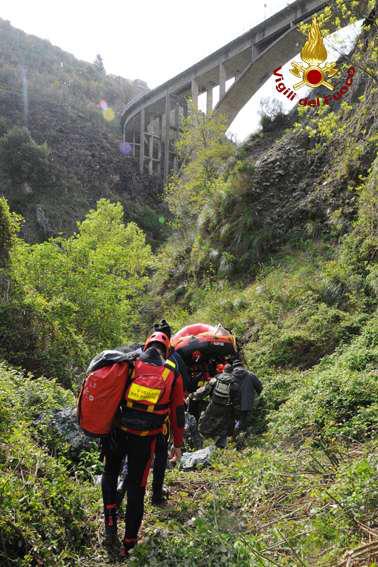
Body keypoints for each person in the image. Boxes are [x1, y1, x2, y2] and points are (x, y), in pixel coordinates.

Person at [101, 330, 185, 559]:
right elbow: (178, 411)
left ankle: (109, 517)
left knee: (110, 473)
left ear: (146, 344)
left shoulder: (129, 363)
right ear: (167, 351)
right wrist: (178, 444)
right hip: (144, 438)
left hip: (117, 433)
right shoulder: (172, 373)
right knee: (136, 489)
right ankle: (128, 544)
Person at [196, 359, 262, 449]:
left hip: (219, 405)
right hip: (246, 404)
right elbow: (259, 387)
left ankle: (221, 442)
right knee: (241, 422)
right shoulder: (249, 375)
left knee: (215, 424)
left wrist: (193, 396)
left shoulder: (225, 378)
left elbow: (205, 390)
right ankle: (237, 438)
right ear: (242, 365)